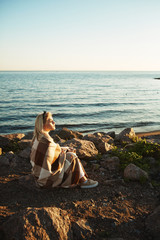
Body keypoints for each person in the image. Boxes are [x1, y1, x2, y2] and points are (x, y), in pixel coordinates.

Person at [30, 111, 98, 189]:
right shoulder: (47, 141)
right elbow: (55, 156)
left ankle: (82, 179)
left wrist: (65, 149)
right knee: (72, 156)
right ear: (43, 124)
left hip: (38, 175)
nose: (54, 122)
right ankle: (83, 181)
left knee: (68, 152)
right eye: (50, 121)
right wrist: (67, 152)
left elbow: (52, 154)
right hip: (46, 180)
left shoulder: (39, 137)